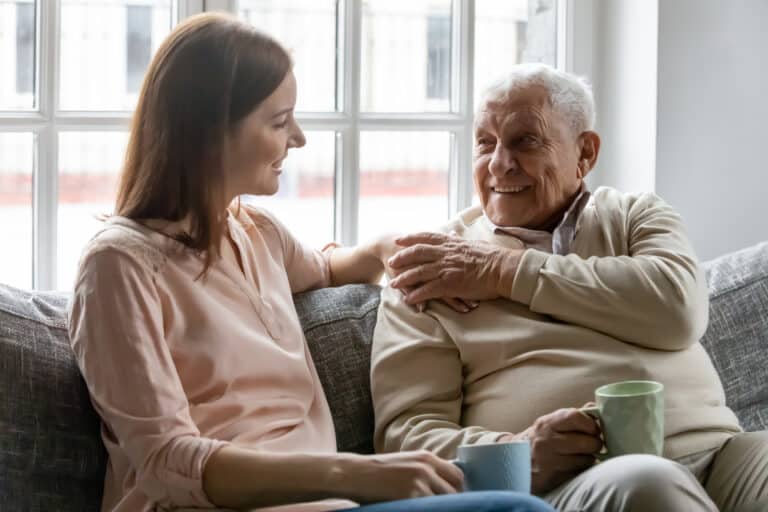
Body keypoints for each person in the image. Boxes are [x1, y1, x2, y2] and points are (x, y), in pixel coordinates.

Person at [67, 13, 555, 512]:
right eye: (279, 122)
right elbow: (166, 461)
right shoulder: (118, 266)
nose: (297, 138)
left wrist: (391, 249)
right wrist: (355, 472)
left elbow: (331, 268)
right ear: (210, 130)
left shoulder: (257, 233)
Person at [370, 63, 768, 512]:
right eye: (485, 143)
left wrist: (504, 271)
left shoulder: (636, 216)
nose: (499, 163)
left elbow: (678, 310)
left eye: (526, 141)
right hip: (582, 481)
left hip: (721, 455)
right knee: (647, 481)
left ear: (585, 153)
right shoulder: (432, 268)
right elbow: (406, 435)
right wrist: (516, 451)